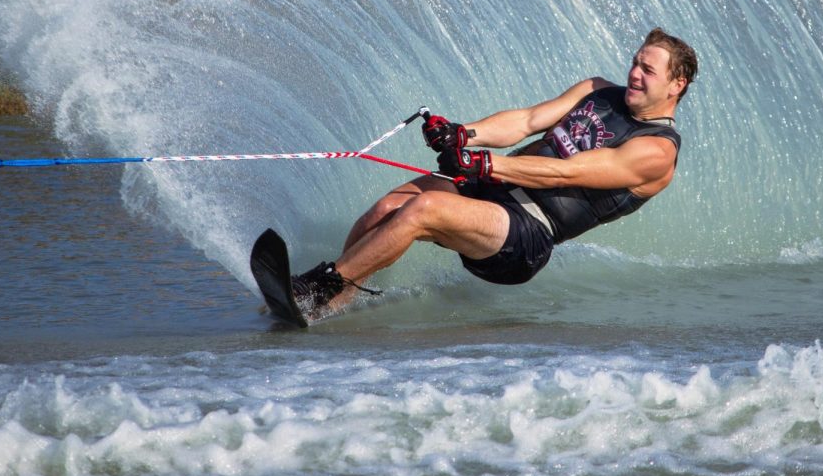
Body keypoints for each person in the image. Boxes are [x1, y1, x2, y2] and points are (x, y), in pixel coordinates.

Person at [290, 27, 698, 313]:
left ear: (676, 84)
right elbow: (526, 121)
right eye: (635, 63)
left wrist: (486, 164)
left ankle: (315, 286)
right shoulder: (597, 91)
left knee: (423, 209)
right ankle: (326, 306)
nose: (634, 74)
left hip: (525, 235)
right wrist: (462, 135)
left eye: (648, 70)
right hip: (494, 188)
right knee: (387, 210)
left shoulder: (656, 151)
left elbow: (565, 174)